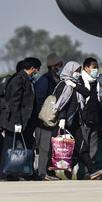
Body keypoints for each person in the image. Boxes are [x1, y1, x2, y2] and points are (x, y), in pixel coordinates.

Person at [0, 57, 41, 181]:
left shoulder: (27, 80)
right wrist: (16, 121)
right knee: (8, 148)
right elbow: (15, 102)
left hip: (24, 122)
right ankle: (2, 175)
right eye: (37, 69)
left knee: (30, 144)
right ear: (32, 68)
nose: (37, 72)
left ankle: (27, 172)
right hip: (13, 121)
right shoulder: (19, 80)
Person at [73, 57, 102, 180]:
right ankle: (81, 173)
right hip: (83, 121)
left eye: (97, 68)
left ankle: (90, 173)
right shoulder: (80, 81)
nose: (96, 70)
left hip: (95, 120)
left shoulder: (96, 83)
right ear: (86, 68)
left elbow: (98, 103)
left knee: (93, 148)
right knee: (83, 149)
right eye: (94, 68)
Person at [34, 52, 63, 181]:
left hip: (54, 119)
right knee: (45, 147)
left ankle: (50, 172)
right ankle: (42, 172)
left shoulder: (58, 79)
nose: (61, 67)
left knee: (52, 148)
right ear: (52, 66)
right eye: (59, 65)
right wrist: (43, 116)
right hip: (45, 120)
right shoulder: (44, 80)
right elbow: (40, 100)